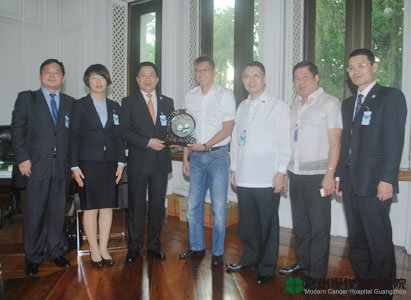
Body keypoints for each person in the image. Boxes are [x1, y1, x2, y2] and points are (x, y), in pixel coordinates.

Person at [336, 48, 407, 298]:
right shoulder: (347, 105)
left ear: (374, 67)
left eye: (361, 66)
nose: (355, 71)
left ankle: (382, 290)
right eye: (351, 67)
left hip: (375, 182)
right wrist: (339, 178)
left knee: (378, 240)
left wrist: (388, 178)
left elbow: (394, 141)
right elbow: (345, 145)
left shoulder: (390, 97)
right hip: (351, 182)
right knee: (357, 238)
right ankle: (364, 280)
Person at [278, 61, 342, 289]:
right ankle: (302, 263)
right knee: (302, 225)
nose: (300, 81)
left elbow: (336, 144)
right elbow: (287, 143)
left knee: (319, 226)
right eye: (296, 77)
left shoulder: (330, 104)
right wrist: (285, 171)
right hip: (296, 174)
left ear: (317, 78)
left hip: (319, 176)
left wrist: (329, 175)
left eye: (305, 76)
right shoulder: (293, 105)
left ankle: (317, 273)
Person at [226, 61, 291, 284]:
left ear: (264, 78)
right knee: (247, 224)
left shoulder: (278, 106)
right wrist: (234, 168)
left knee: (268, 225)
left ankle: (267, 266)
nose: (251, 80)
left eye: (256, 75)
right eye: (246, 76)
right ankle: (250, 258)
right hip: (244, 177)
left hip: (267, 178)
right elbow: (235, 141)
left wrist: (281, 172)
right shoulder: (242, 106)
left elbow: (285, 142)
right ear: (242, 80)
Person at [11, 58, 74, 276]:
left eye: (57, 72)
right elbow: (17, 130)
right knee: (35, 213)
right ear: (40, 76)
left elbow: (73, 136)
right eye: (47, 72)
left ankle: (55, 251)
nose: (52, 75)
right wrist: (22, 157)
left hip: (62, 168)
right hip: (34, 166)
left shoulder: (70, 103)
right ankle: (33, 256)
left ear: (63, 78)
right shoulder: (27, 98)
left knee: (57, 213)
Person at [179, 55, 236, 267]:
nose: (201, 74)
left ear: (214, 71)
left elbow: (227, 129)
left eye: (205, 70)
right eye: (197, 71)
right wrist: (185, 157)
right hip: (195, 158)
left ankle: (218, 252)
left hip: (218, 157)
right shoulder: (190, 96)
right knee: (193, 205)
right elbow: (185, 129)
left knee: (219, 207)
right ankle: (197, 247)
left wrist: (206, 145)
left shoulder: (225, 95)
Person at [70, 64, 125, 268]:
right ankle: (93, 249)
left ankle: (104, 248)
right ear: (87, 82)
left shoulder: (115, 107)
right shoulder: (80, 105)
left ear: (107, 80)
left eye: (102, 77)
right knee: (91, 208)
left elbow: (119, 137)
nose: (98, 81)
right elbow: (73, 137)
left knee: (108, 207)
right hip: (87, 163)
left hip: (110, 163)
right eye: (94, 78)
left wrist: (121, 162)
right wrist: (74, 166)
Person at [119, 61, 174, 262]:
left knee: (158, 206)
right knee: (136, 206)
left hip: (160, 162)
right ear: (137, 80)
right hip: (139, 162)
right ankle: (133, 247)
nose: (148, 79)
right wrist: (147, 142)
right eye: (143, 75)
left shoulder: (167, 102)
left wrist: (178, 137)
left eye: (152, 75)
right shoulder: (128, 102)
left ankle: (154, 245)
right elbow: (123, 131)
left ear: (157, 79)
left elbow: (171, 130)